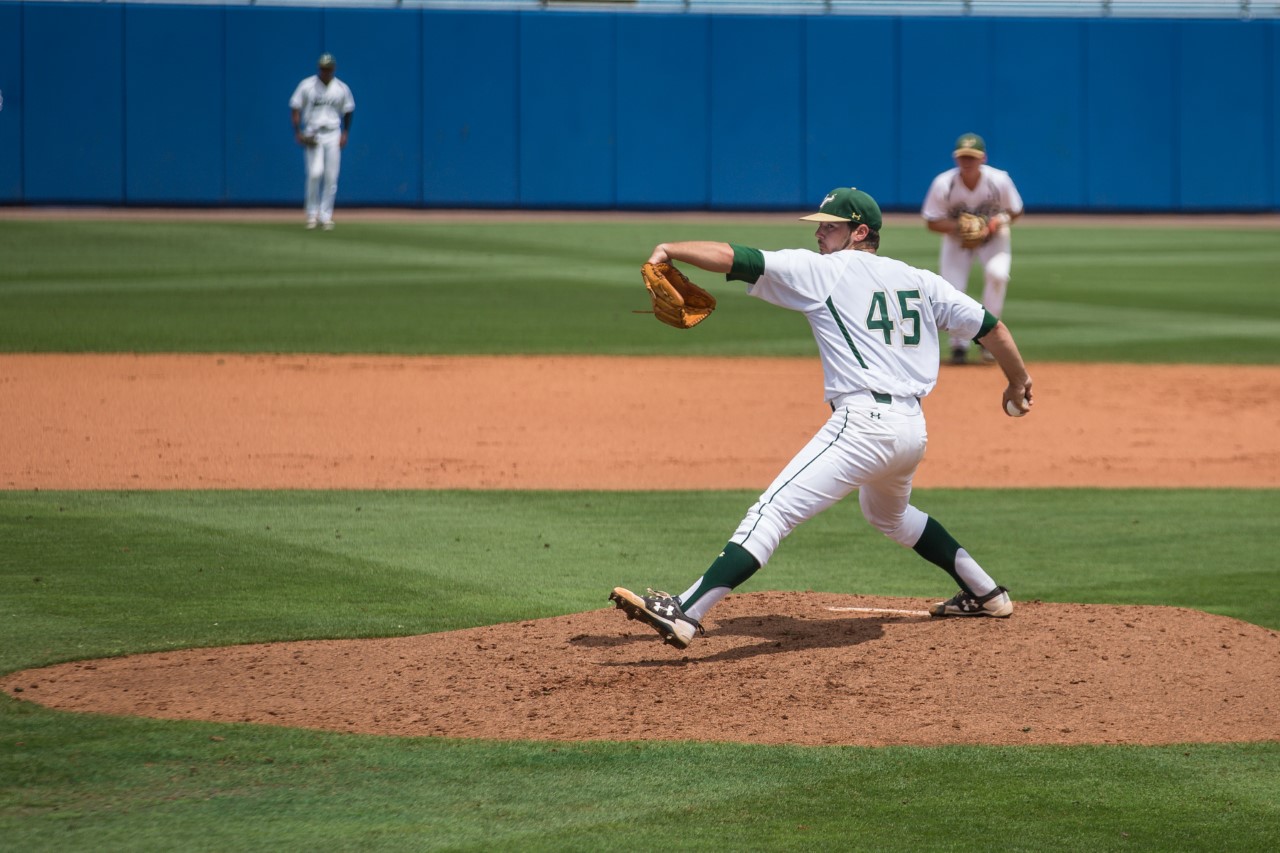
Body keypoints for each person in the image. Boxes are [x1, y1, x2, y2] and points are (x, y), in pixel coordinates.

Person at [609, 187, 1034, 650]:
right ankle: (985, 592)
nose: (818, 233)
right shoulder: (922, 280)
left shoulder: (826, 271)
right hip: (911, 430)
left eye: (829, 226)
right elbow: (993, 328)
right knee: (888, 516)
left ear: (860, 232)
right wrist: (1017, 383)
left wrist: (671, 249)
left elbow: (736, 257)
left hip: (864, 426)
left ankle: (686, 611)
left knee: (771, 512)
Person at [922, 133, 1024, 365]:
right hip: (957, 241)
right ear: (956, 158)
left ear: (983, 158)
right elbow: (931, 221)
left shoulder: (999, 180)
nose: (967, 161)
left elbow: (1016, 210)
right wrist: (959, 226)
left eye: (972, 156)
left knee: (997, 275)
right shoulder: (944, 183)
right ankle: (958, 345)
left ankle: (990, 342)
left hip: (994, 238)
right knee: (953, 289)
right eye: (963, 157)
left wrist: (998, 221)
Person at [289, 53, 355, 231]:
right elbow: (295, 106)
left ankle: (326, 215)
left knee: (331, 176)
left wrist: (345, 133)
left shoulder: (340, 87)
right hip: (313, 133)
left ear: (333, 69)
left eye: (328, 68)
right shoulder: (307, 85)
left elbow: (348, 109)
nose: (325, 71)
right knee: (315, 173)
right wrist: (298, 132)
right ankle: (312, 213)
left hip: (333, 133)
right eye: (323, 68)